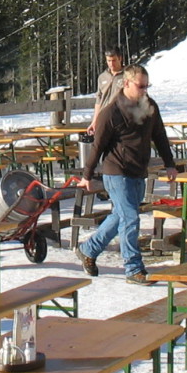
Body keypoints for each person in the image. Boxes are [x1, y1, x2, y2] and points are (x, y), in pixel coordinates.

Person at [74, 64, 178, 285]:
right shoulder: (110, 113)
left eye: (147, 86)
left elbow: (159, 136)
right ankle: (133, 269)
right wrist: (87, 175)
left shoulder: (149, 107)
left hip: (138, 171)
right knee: (130, 218)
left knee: (121, 216)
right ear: (127, 83)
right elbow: (97, 146)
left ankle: (88, 249)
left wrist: (170, 164)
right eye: (141, 86)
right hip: (116, 171)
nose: (144, 91)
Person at [86, 46, 128, 139]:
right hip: (103, 117)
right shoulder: (102, 77)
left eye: (114, 60)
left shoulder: (128, 75)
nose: (111, 64)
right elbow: (99, 100)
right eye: (109, 61)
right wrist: (94, 121)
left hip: (120, 118)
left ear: (120, 58)